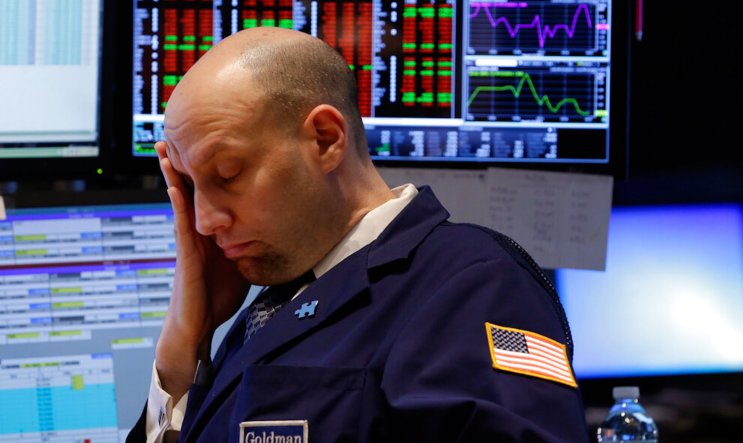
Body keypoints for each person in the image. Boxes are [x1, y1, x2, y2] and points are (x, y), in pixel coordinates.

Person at [128, 27, 589, 442]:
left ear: (326, 139)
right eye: (191, 187)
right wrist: (180, 354)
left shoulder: (474, 285)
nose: (205, 220)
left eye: (227, 174)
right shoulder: (267, 310)